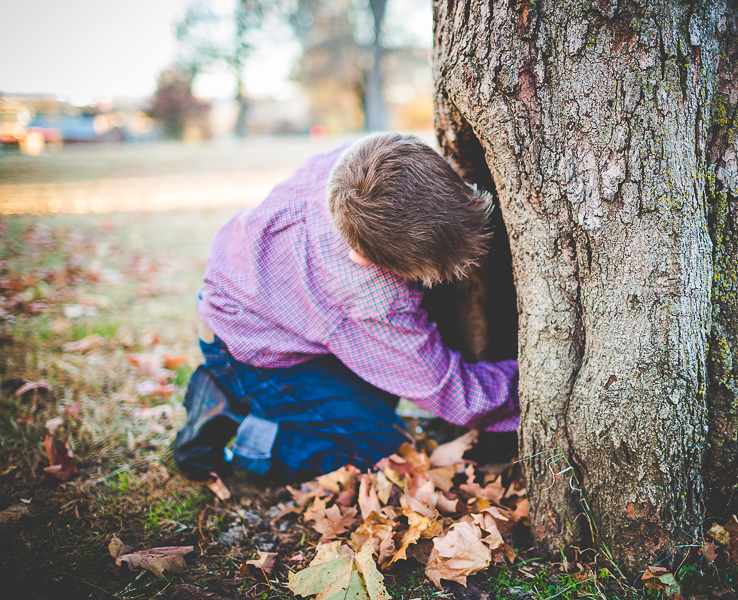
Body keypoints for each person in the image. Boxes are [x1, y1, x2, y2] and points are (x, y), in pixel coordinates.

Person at [173, 132, 519, 483]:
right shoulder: (372, 297)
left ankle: (252, 399)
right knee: (380, 449)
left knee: (376, 400)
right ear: (364, 258)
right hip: (249, 348)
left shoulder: (360, 162)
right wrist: (533, 382)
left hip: (262, 298)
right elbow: (453, 392)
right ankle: (246, 437)